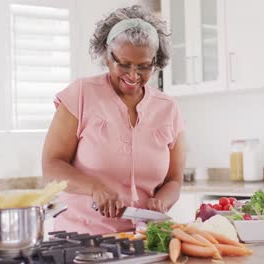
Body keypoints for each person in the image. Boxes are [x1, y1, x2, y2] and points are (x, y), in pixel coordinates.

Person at [42, 5, 186, 235]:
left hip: (145, 238)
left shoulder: (168, 108)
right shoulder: (80, 94)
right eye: (124, 64)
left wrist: (161, 201)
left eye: (144, 66)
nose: (133, 75)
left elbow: (174, 181)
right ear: (106, 54)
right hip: (81, 239)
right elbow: (52, 167)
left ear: (155, 62)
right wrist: (95, 188)